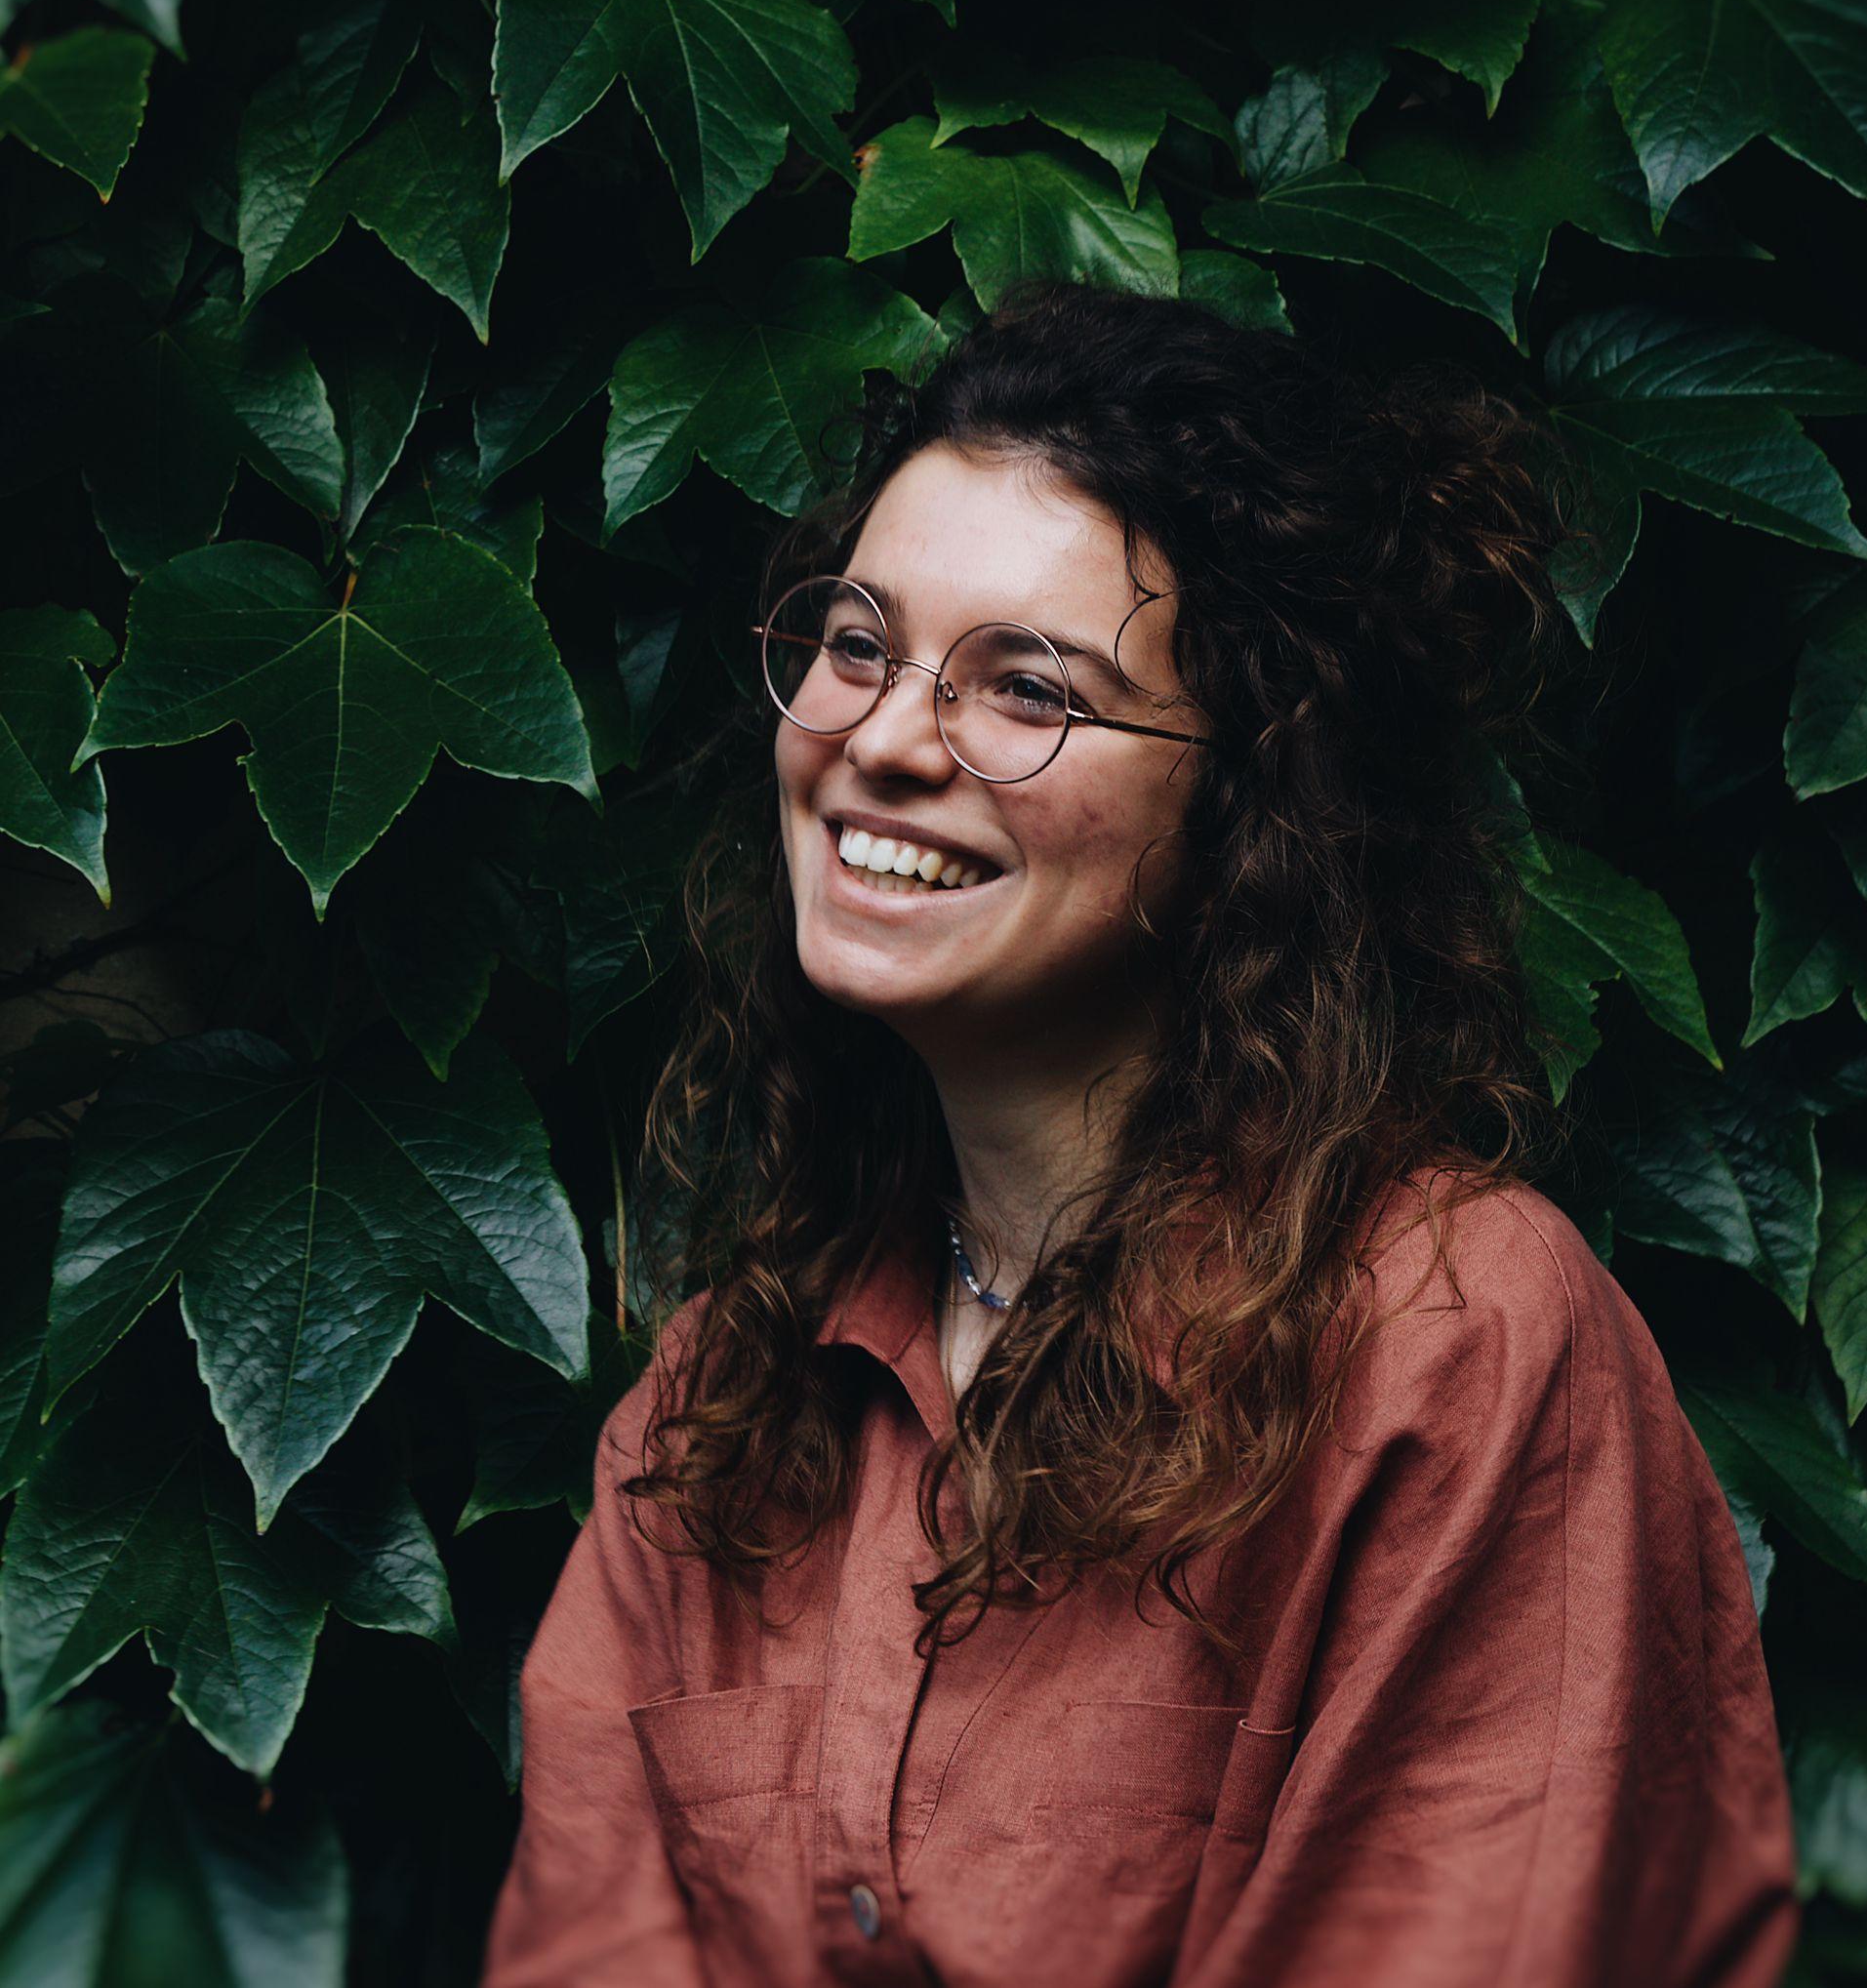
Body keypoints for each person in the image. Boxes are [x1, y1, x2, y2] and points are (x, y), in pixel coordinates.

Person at [480, 283, 1799, 1987]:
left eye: (1025, 688)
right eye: (860, 643)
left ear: (1253, 799)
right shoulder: (725, 1389)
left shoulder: (1451, 1351)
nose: (883, 738)